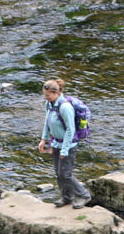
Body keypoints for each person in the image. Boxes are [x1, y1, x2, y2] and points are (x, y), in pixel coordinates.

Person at [37, 78, 91, 208]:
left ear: (56, 93)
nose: (45, 97)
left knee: (65, 174)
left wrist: (65, 150)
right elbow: (47, 121)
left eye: (48, 95)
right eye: (44, 94)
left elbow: (70, 130)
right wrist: (43, 139)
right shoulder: (49, 104)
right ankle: (66, 197)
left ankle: (84, 195)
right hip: (55, 143)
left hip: (68, 145)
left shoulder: (65, 107)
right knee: (58, 173)